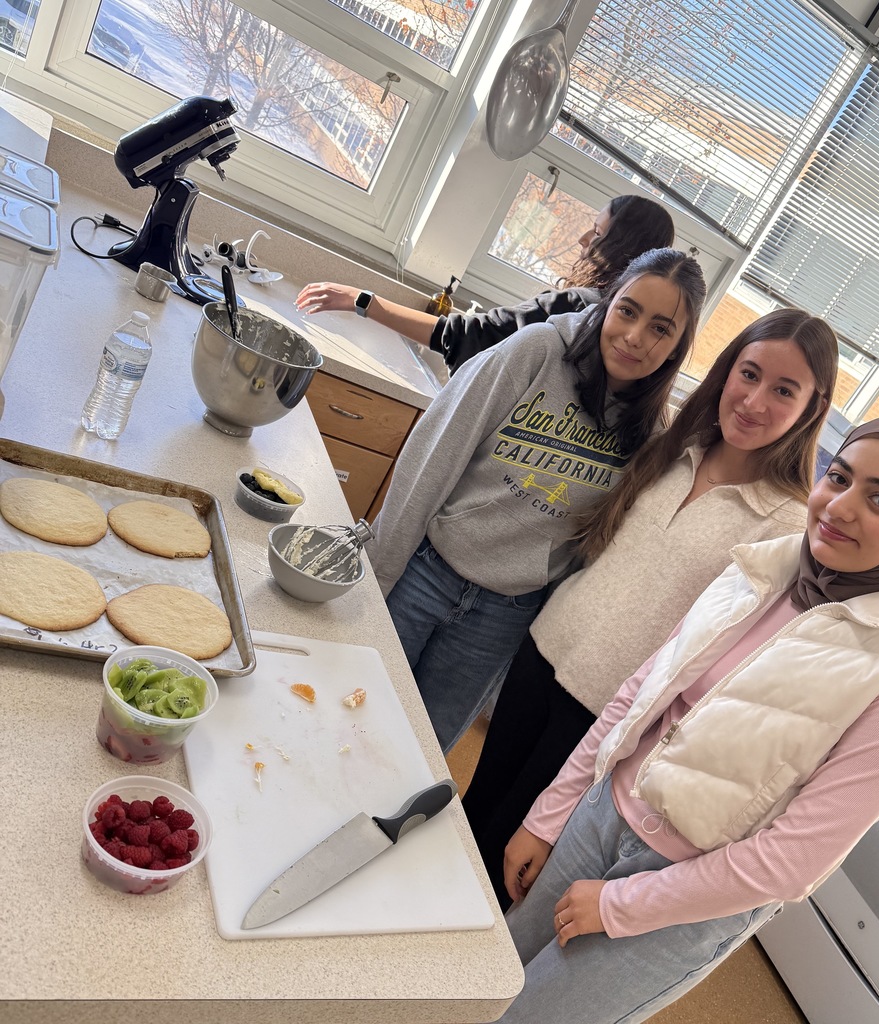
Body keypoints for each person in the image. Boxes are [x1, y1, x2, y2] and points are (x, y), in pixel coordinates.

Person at [494, 415, 879, 1024]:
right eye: (840, 477)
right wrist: (549, 817)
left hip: (687, 893)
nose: (841, 506)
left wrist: (625, 904)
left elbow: (791, 860)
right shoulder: (768, 568)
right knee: (489, 977)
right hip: (600, 813)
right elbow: (641, 695)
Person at [462, 307, 839, 906]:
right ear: (726, 371)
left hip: (608, 714)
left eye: (784, 390)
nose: (754, 400)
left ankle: (443, 980)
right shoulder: (673, 448)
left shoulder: (788, 525)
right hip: (544, 653)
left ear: (812, 408)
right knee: (476, 807)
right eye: (749, 374)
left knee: (512, 856)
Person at [365, 248, 707, 752]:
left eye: (661, 328)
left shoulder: (652, 433)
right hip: (425, 572)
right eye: (628, 310)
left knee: (420, 750)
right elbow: (432, 459)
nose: (635, 337)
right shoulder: (537, 351)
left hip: (502, 615)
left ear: (678, 346)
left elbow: (592, 547)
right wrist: (378, 576)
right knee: (352, 701)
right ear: (609, 302)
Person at [294, 195, 676, 373]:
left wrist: (364, 301)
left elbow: (466, 336)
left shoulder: (577, 307)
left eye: (596, 232)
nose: (582, 241)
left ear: (619, 245)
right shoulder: (614, 328)